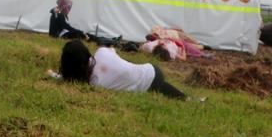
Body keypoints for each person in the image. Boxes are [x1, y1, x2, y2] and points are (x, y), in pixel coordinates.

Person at [58, 39, 188, 100]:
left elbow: (73, 80)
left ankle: (187, 98)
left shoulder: (95, 81)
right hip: (151, 69)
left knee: (163, 90)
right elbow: (112, 51)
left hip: (149, 83)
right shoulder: (102, 52)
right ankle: (187, 97)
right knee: (165, 89)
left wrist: (57, 76)